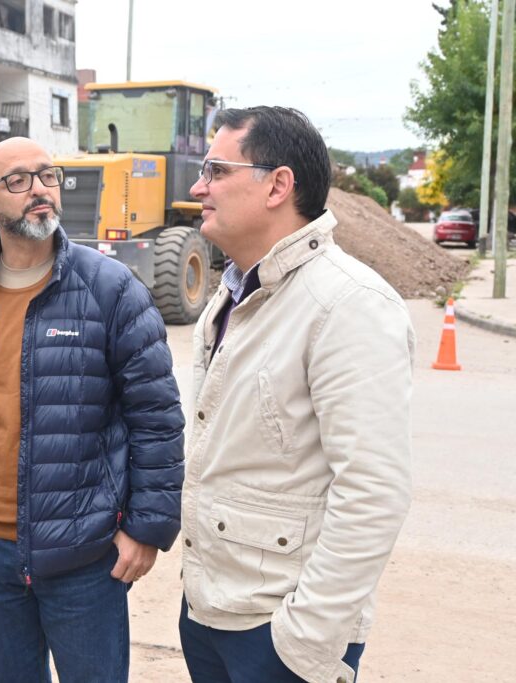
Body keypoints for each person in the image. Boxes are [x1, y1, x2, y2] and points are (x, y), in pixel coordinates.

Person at [0, 136, 185, 682]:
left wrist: (147, 527)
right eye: (18, 180)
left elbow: (156, 416)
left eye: (47, 176)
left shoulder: (111, 288)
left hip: (84, 553)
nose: (39, 189)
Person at [179, 106, 414, 683]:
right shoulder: (232, 295)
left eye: (216, 170)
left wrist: (305, 636)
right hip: (211, 609)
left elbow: (373, 492)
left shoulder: (348, 303)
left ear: (277, 185)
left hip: (279, 631)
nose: (198, 187)